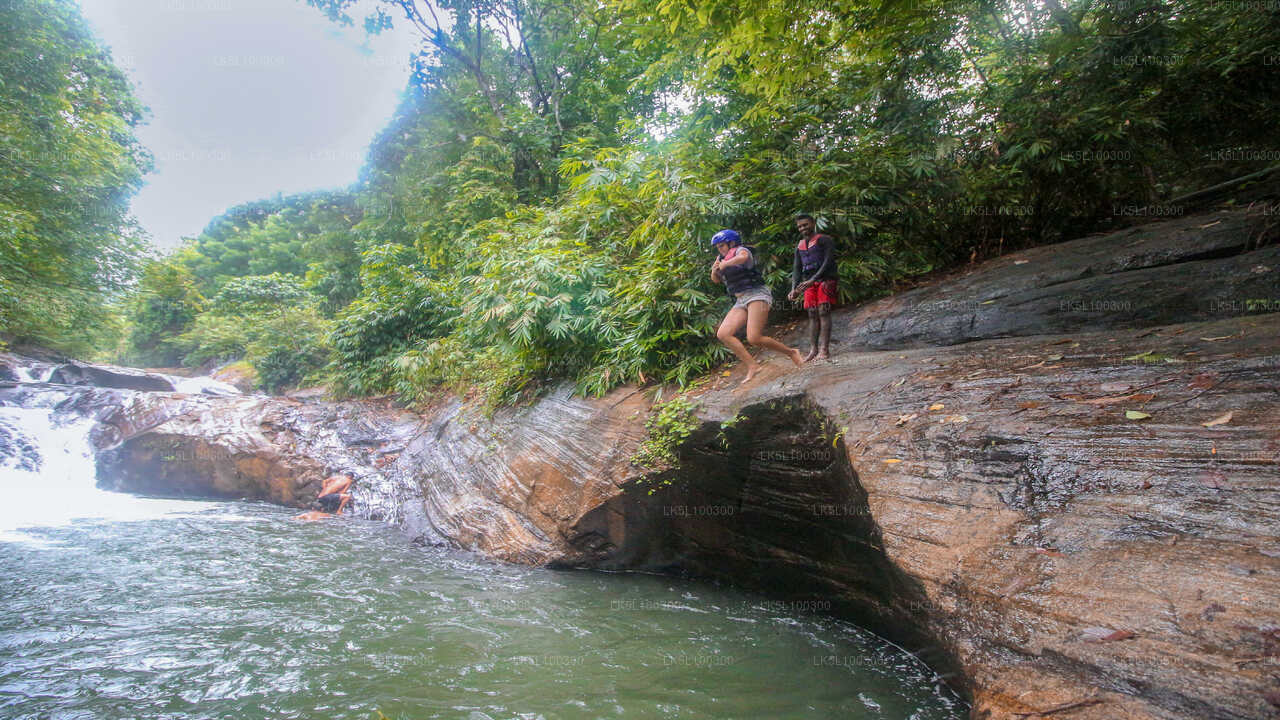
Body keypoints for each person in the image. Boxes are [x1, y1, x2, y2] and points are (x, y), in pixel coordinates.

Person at [709, 229, 805, 386]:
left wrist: (726, 263)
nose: (719, 249)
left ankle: (792, 352)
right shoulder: (720, 257)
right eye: (717, 247)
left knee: (754, 338)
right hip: (740, 300)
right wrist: (715, 270)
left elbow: (743, 258)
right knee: (723, 334)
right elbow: (716, 280)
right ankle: (753, 366)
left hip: (757, 294)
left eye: (721, 246)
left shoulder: (741, 250)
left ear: (731, 243)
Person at [787, 214, 839, 361]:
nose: (802, 228)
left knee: (824, 312)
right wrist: (794, 288)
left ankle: (824, 350)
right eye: (799, 226)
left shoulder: (824, 240)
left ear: (813, 223)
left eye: (805, 224)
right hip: (807, 282)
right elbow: (797, 268)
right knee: (812, 314)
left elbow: (828, 261)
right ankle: (813, 350)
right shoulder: (799, 245)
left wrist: (814, 279)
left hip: (826, 280)